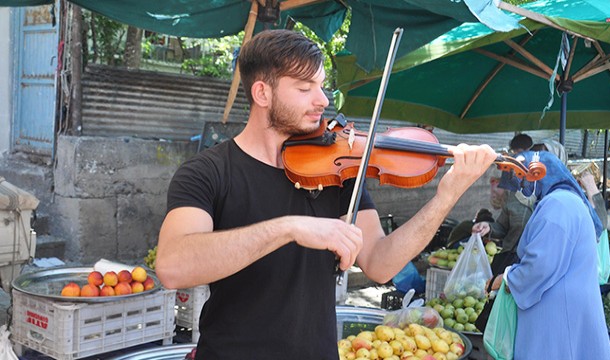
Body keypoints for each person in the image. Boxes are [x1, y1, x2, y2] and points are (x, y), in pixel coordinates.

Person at [155, 29, 498, 359]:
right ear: (262, 94)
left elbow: (380, 264)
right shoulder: (206, 173)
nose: (323, 100)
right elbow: (172, 266)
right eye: (305, 89)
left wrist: (445, 198)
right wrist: (290, 228)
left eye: (322, 86)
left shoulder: (339, 170)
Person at [486, 151, 610, 360]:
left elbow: (540, 266)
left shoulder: (559, 205)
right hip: (564, 305)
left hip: (558, 312)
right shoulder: (564, 201)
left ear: (539, 175)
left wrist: (505, 279)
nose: (522, 191)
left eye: (523, 182)